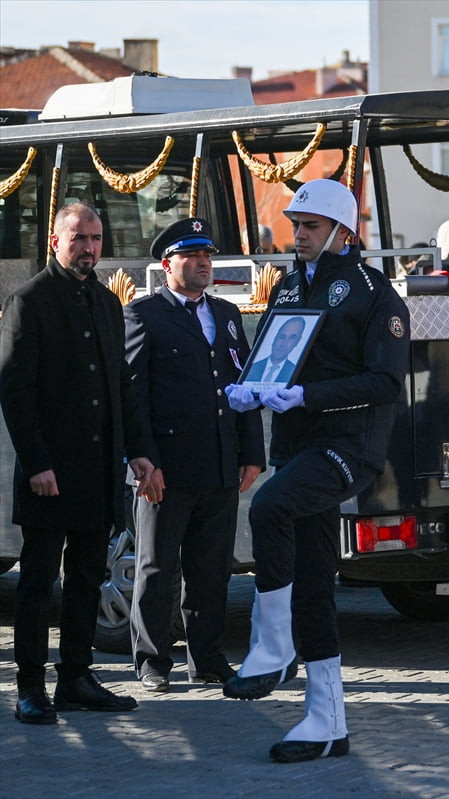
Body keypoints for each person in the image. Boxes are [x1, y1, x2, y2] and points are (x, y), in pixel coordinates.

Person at [221, 179, 409, 763]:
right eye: (295, 224)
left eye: (309, 226)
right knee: (313, 585)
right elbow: (275, 356)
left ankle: (272, 646)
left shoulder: (374, 294)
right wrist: (253, 391)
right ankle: (326, 721)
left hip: (348, 445)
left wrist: (307, 396)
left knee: (272, 505)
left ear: (341, 232)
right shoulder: (288, 284)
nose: (297, 234)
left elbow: (385, 382)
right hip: (300, 444)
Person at [0, 203, 157, 724]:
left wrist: (139, 450)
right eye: (79, 238)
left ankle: (75, 678)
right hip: (49, 473)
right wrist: (37, 462)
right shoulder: (29, 301)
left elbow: (121, 389)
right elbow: (15, 393)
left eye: (96, 237)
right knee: (38, 582)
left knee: (88, 576)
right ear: (54, 240)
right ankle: (29, 686)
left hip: (98, 470)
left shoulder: (108, 303)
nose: (89, 247)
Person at [124, 217, 266, 692]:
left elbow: (241, 384)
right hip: (166, 469)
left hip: (220, 463)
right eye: (192, 255)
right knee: (157, 568)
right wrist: (143, 460)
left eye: (207, 254)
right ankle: (151, 661)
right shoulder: (144, 315)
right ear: (168, 265)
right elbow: (133, 396)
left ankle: (206, 657)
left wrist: (251, 452)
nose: (204, 262)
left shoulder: (225, 314)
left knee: (211, 571)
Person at [242, 316, 304, 384]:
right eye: (282, 337)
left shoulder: (295, 371)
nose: (284, 344)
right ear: (275, 338)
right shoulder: (252, 368)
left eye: (292, 338)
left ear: (297, 342)